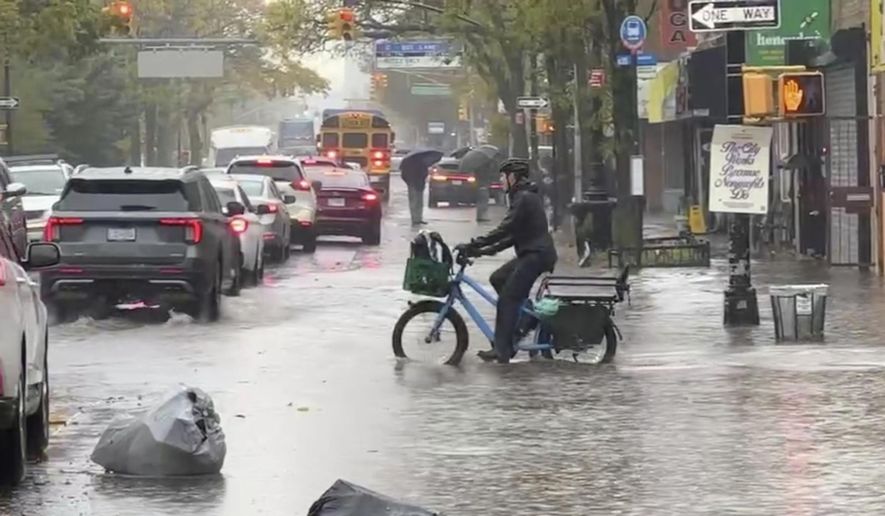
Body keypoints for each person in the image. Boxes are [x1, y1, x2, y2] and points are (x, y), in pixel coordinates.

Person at [457, 158, 557, 364]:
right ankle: (525, 318)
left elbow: (505, 229)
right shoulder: (521, 196)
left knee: (508, 300)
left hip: (537, 255)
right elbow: (512, 236)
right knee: (498, 278)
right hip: (531, 253)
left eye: (503, 177)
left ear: (513, 177)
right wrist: (482, 250)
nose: (501, 181)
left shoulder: (524, 198)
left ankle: (502, 349)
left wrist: (474, 244)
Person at [400, 156, 429, 226]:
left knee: (415, 202)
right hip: (417, 185)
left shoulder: (407, 164)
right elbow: (425, 174)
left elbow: (403, 176)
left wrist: (408, 182)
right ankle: (417, 218)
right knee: (417, 202)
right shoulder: (422, 164)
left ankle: (416, 218)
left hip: (415, 185)